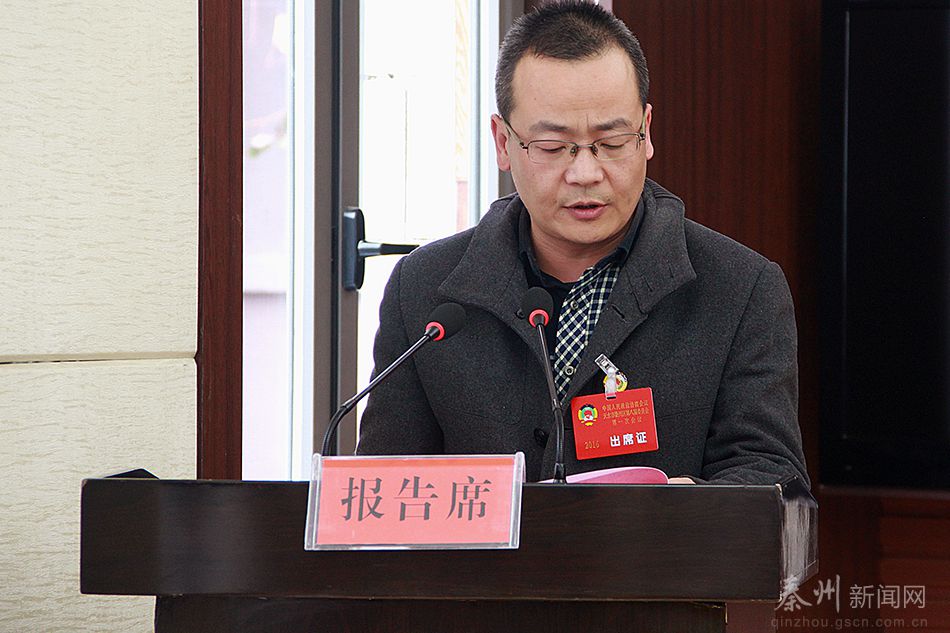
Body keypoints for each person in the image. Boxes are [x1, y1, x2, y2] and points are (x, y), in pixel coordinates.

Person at [357, 0, 809, 487]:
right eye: (553, 147)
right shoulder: (423, 289)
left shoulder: (741, 289)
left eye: (611, 143)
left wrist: (685, 509)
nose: (586, 173)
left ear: (646, 133)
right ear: (503, 142)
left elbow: (774, 479)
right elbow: (381, 486)